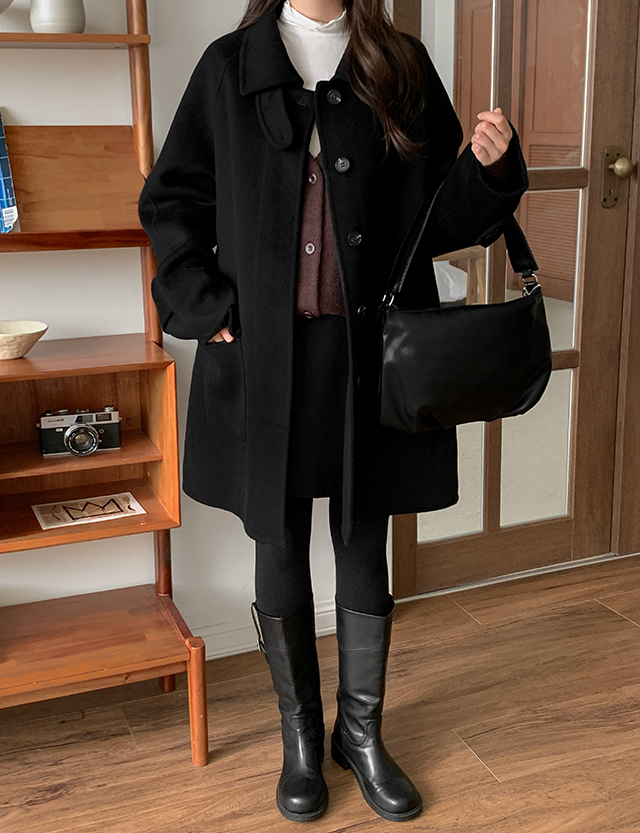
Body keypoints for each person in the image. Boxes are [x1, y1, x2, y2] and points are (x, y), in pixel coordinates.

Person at [139, 0, 529, 823]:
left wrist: (489, 170)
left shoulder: (400, 64)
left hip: (368, 356)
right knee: (277, 537)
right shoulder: (229, 67)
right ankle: (300, 740)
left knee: (362, 536)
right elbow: (171, 202)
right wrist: (206, 305)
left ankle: (361, 734)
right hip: (263, 359)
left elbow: (438, 216)